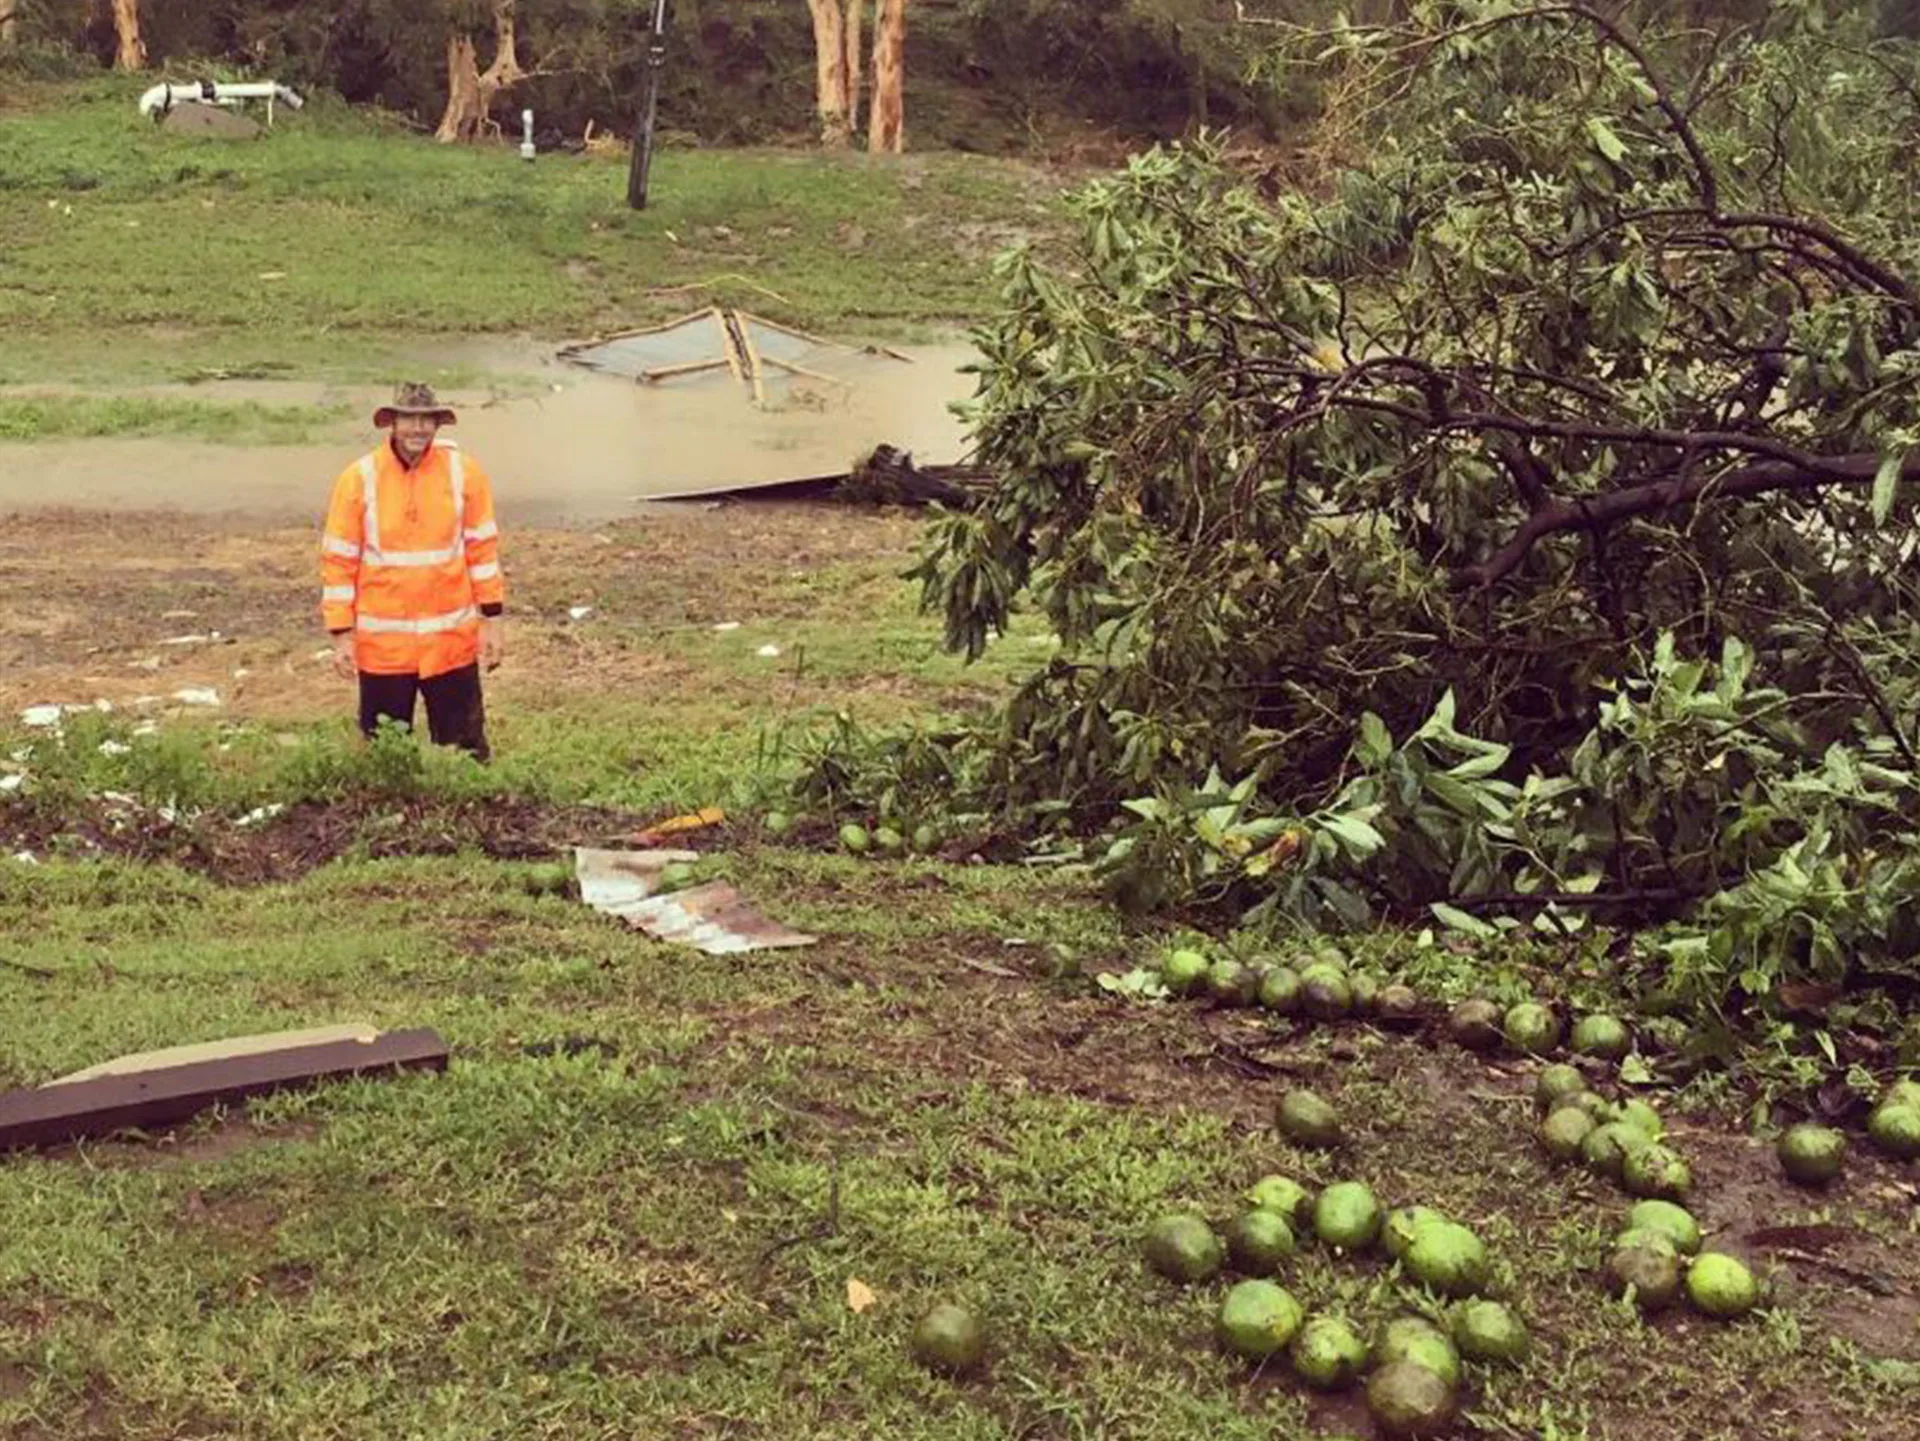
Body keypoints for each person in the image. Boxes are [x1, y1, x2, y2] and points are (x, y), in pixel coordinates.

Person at [320, 382, 505, 761]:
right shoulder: (359, 478)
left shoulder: (463, 473)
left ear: (438, 425)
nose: (418, 429)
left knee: (465, 753)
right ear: (392, 423)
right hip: (384, 649)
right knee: (386, 756)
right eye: (410, 419)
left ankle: (465, 816)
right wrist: (341, 634)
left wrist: (492, 619)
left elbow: (482, 550)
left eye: (427, 420)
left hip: (450, 645)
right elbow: (339, 560)